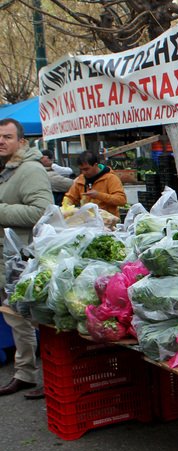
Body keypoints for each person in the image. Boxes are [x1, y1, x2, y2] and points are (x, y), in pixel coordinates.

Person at [0, 119, 53, 398]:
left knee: (36, 319)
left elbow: (41, 211)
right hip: (8, 259)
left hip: (24, 259)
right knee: (16, 320)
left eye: (7, 137)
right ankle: (26, 374)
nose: (1, 141)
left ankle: (51, 377)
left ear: (22, 141)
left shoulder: (29, 169)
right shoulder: (6, 170)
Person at [62, 150, 127, 216]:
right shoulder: (81, 179)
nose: (84, 172)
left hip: (108, 221)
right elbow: (70, 197)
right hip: (87, 221)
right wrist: (67, 204)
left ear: (95, 165)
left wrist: (99, 195)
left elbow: (121, 200)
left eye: (86, 169)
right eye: (81, 170)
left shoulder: (110, 178)